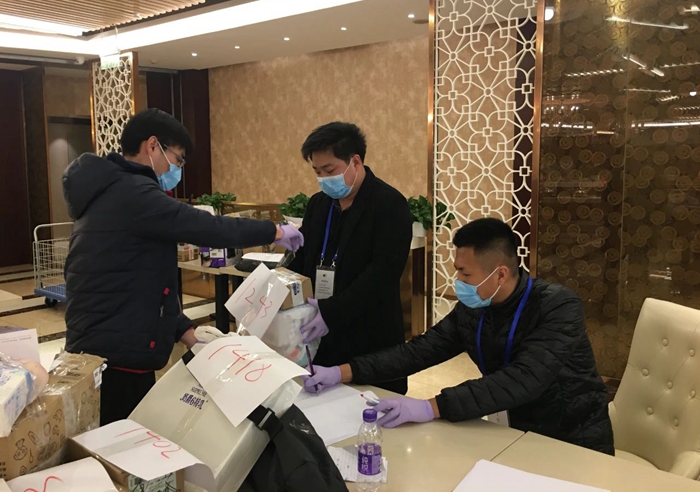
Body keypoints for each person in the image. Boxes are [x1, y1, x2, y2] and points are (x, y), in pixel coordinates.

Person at [63, 108, 304, 425]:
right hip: (117, 353)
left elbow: (139, 280)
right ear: (153, 146)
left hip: (103, 340)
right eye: (177, 159)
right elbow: (207, 227)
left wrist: (184, 330)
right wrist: (274, 231)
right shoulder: (134, 193)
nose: (176, 169)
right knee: (120, 440)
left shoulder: (109, 191)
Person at [303, 218, 615, 455]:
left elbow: (524, 378)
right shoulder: (475, 308)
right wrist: (342, 372)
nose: (458, 281)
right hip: (510, 429)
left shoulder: (558, 306)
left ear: (500, 274)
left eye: (465, 274)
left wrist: (431, 407)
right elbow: (418, 351)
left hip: (571, 436)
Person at [288, 122, 412, 394]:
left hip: (369, 332)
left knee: (370, 406)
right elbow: (304, 258)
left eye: (329, 170)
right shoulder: (319, 204)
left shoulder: (390, 204)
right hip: (322, 333)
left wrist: (332, 312)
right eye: (317, 172)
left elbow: (382, 274)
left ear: (355, 162)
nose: (323, 178)